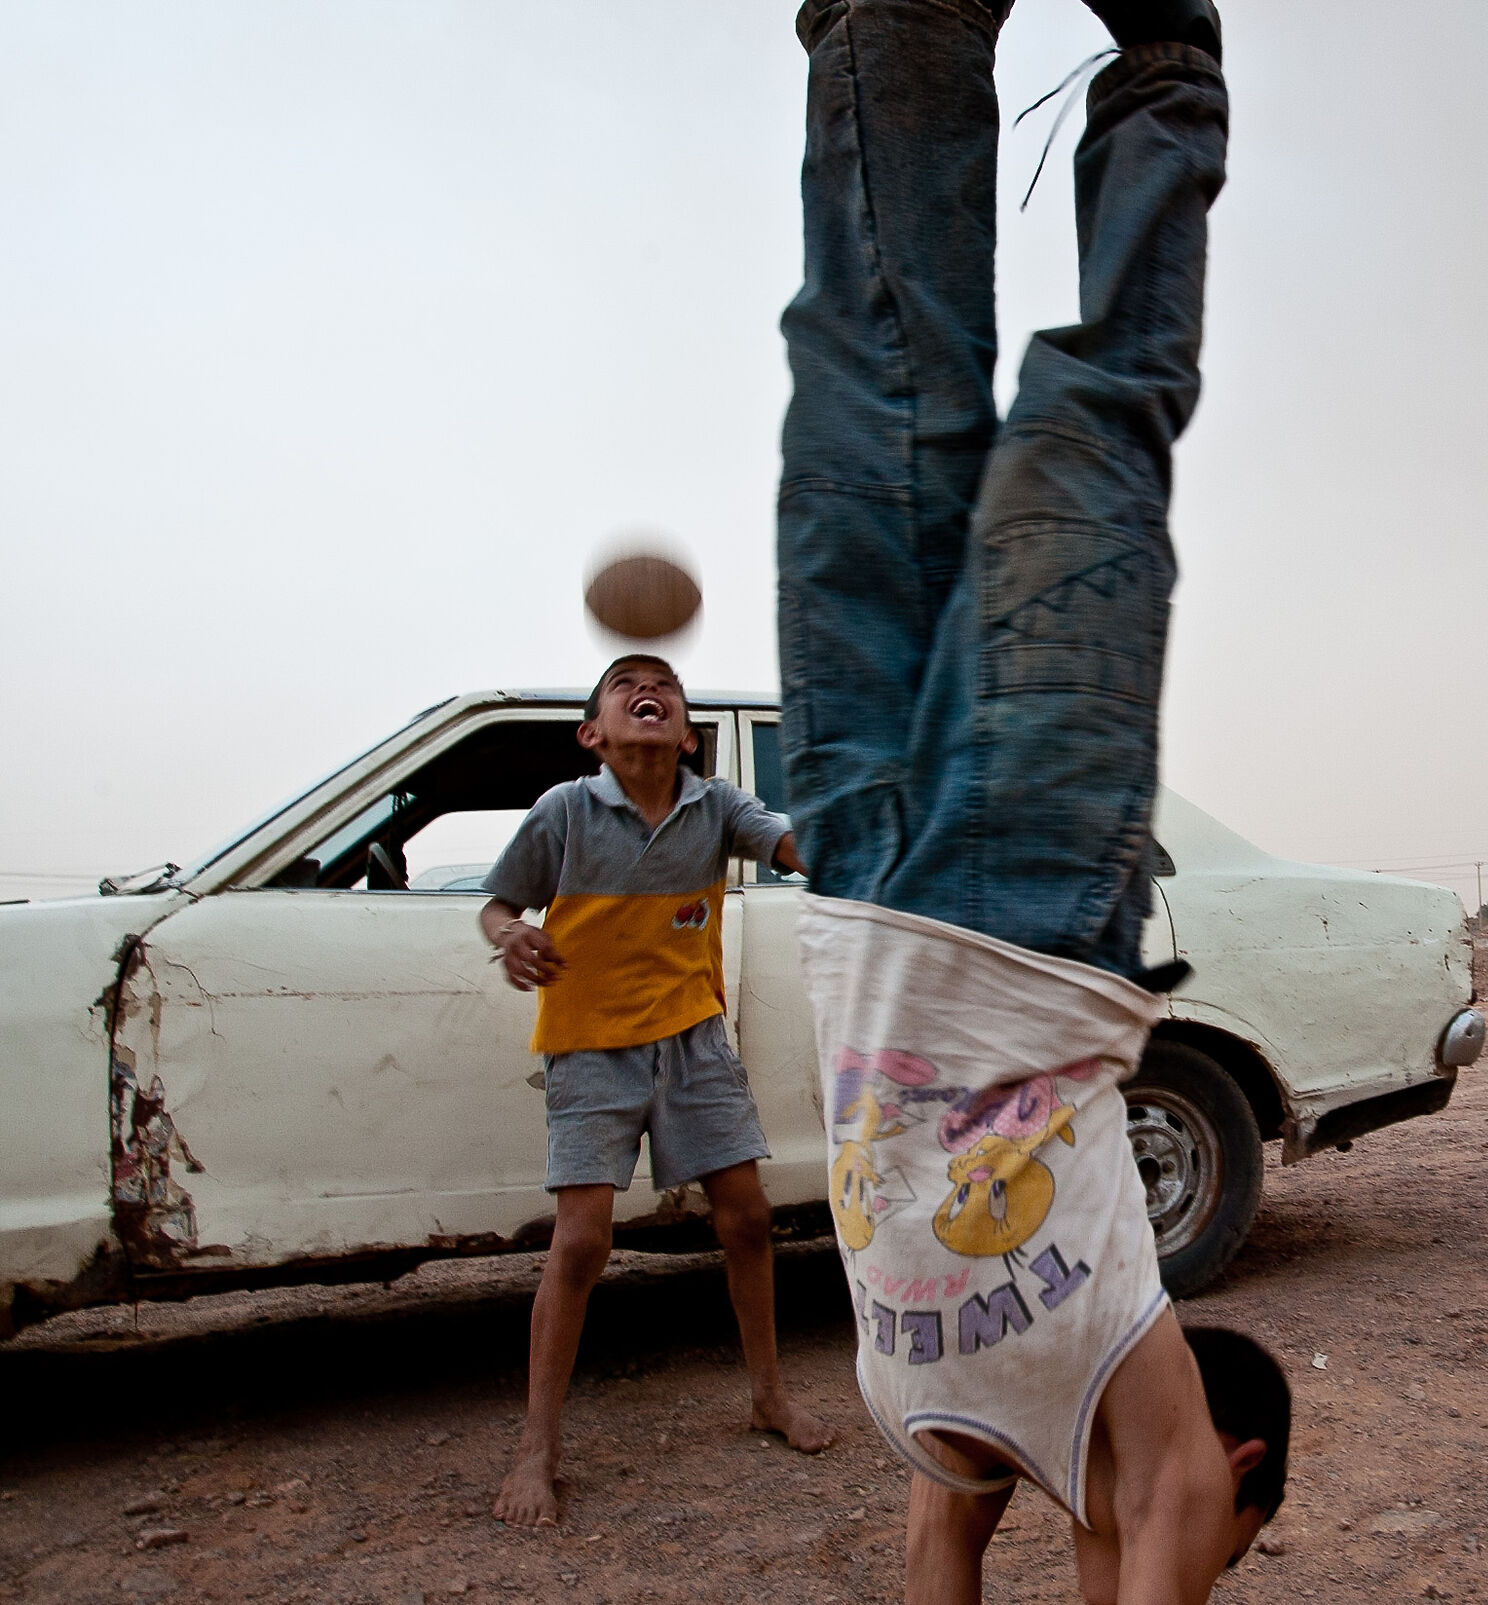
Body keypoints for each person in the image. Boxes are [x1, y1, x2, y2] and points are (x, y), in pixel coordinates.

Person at [774, 2, 1281, 1598]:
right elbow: (1173, 1499)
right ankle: (1168, 76)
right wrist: (1139, 1516)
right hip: (1031, 901)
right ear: (1237, 1469)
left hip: (850, 869)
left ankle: (893, 29)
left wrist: (998, 1518)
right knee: (1089, 425)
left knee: (871, 390)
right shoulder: (1131, 1374)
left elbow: (948, 1544)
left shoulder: (942, 1450)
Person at [480, 654, 836, 1529]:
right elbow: (496, 904)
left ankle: (768, 1397)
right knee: (580, 1242)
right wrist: (511, 935)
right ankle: (537, 1450)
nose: (652, 690)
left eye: (666, 686)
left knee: (747, 1217)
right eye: (627, 683)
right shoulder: (564, 811)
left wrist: (845, 833)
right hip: (590, 1048)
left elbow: (788, 844)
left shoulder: (716, 807)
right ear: (593, 732)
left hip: (692, 1041)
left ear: (686, 731)